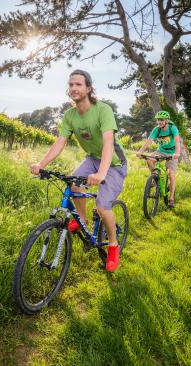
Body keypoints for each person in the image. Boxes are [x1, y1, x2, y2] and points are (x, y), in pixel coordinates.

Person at [30, 69, 127, 272]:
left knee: (102, 206)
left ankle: (113, 245)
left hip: (114, 163)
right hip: (92, 159)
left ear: (89, 88)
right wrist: (41, 164)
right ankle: (81, 218)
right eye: (71, 84)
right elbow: (60, 142)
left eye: (78, 84)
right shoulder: (70, 115)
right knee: (73, 184)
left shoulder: (103, 110)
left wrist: (101, 174)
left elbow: (108, 143)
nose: (73, 88)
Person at [136, 111, 181, 208]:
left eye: (161, 120)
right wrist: (140, 151)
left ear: (166, 120)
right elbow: (149, 141)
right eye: (158, 120)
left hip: (172, 153)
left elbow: (177, 141)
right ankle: (155, 178)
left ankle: (171, 198)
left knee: (171, 174)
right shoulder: (157, 130)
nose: (159, 121)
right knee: (149, 160)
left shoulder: (173, 128)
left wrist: (177, 153)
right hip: (160, 151)